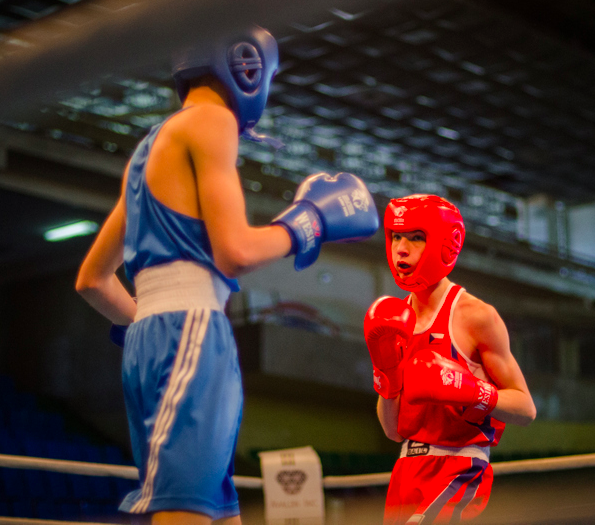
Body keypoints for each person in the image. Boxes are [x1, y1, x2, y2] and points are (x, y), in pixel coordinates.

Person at [76, 26, 378, 525]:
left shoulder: (150, 148)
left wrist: (151, 320)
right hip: (190, 333)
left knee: (218, 516)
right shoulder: (211, 122)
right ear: (247, 66)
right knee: (183, 516)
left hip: (157, 338)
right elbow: (235, 252)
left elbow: (92, 280)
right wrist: (309, 222)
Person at [364, 194, 536, 524]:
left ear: (446, 243)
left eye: (415, 237)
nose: (401, 248)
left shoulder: (476, 316)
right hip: (406, 467)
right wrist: (385, 370)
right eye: (396, 236)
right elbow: (393, 430)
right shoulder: (393, 320)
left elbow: (526, 409)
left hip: (459, 466)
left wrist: (472, 391)